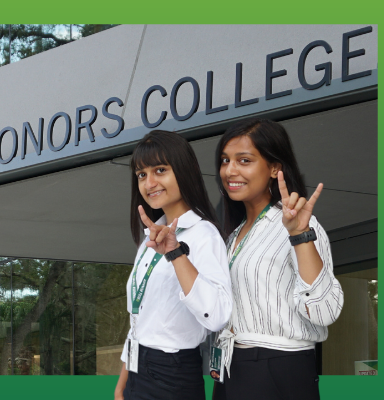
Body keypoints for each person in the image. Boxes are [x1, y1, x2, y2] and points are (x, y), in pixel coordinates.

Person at [211, 119, 344, 400]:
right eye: (225, 160)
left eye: (244, 160)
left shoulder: (299, 225)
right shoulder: (232, 237)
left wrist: (299, 235)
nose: (230, 170)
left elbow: (325, 311)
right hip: (232, 367)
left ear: (275, 168)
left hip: (279, 366)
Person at [114, 130, 232, 400]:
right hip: (136, 370)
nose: (149, 182)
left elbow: (217, 316)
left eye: (160, 170)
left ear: (185, 170)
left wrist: (176, 253)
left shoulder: (204, 235)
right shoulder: (149, 240)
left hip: (172, 375)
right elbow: (139, 322)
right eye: (142, 174)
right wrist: (122, 384)